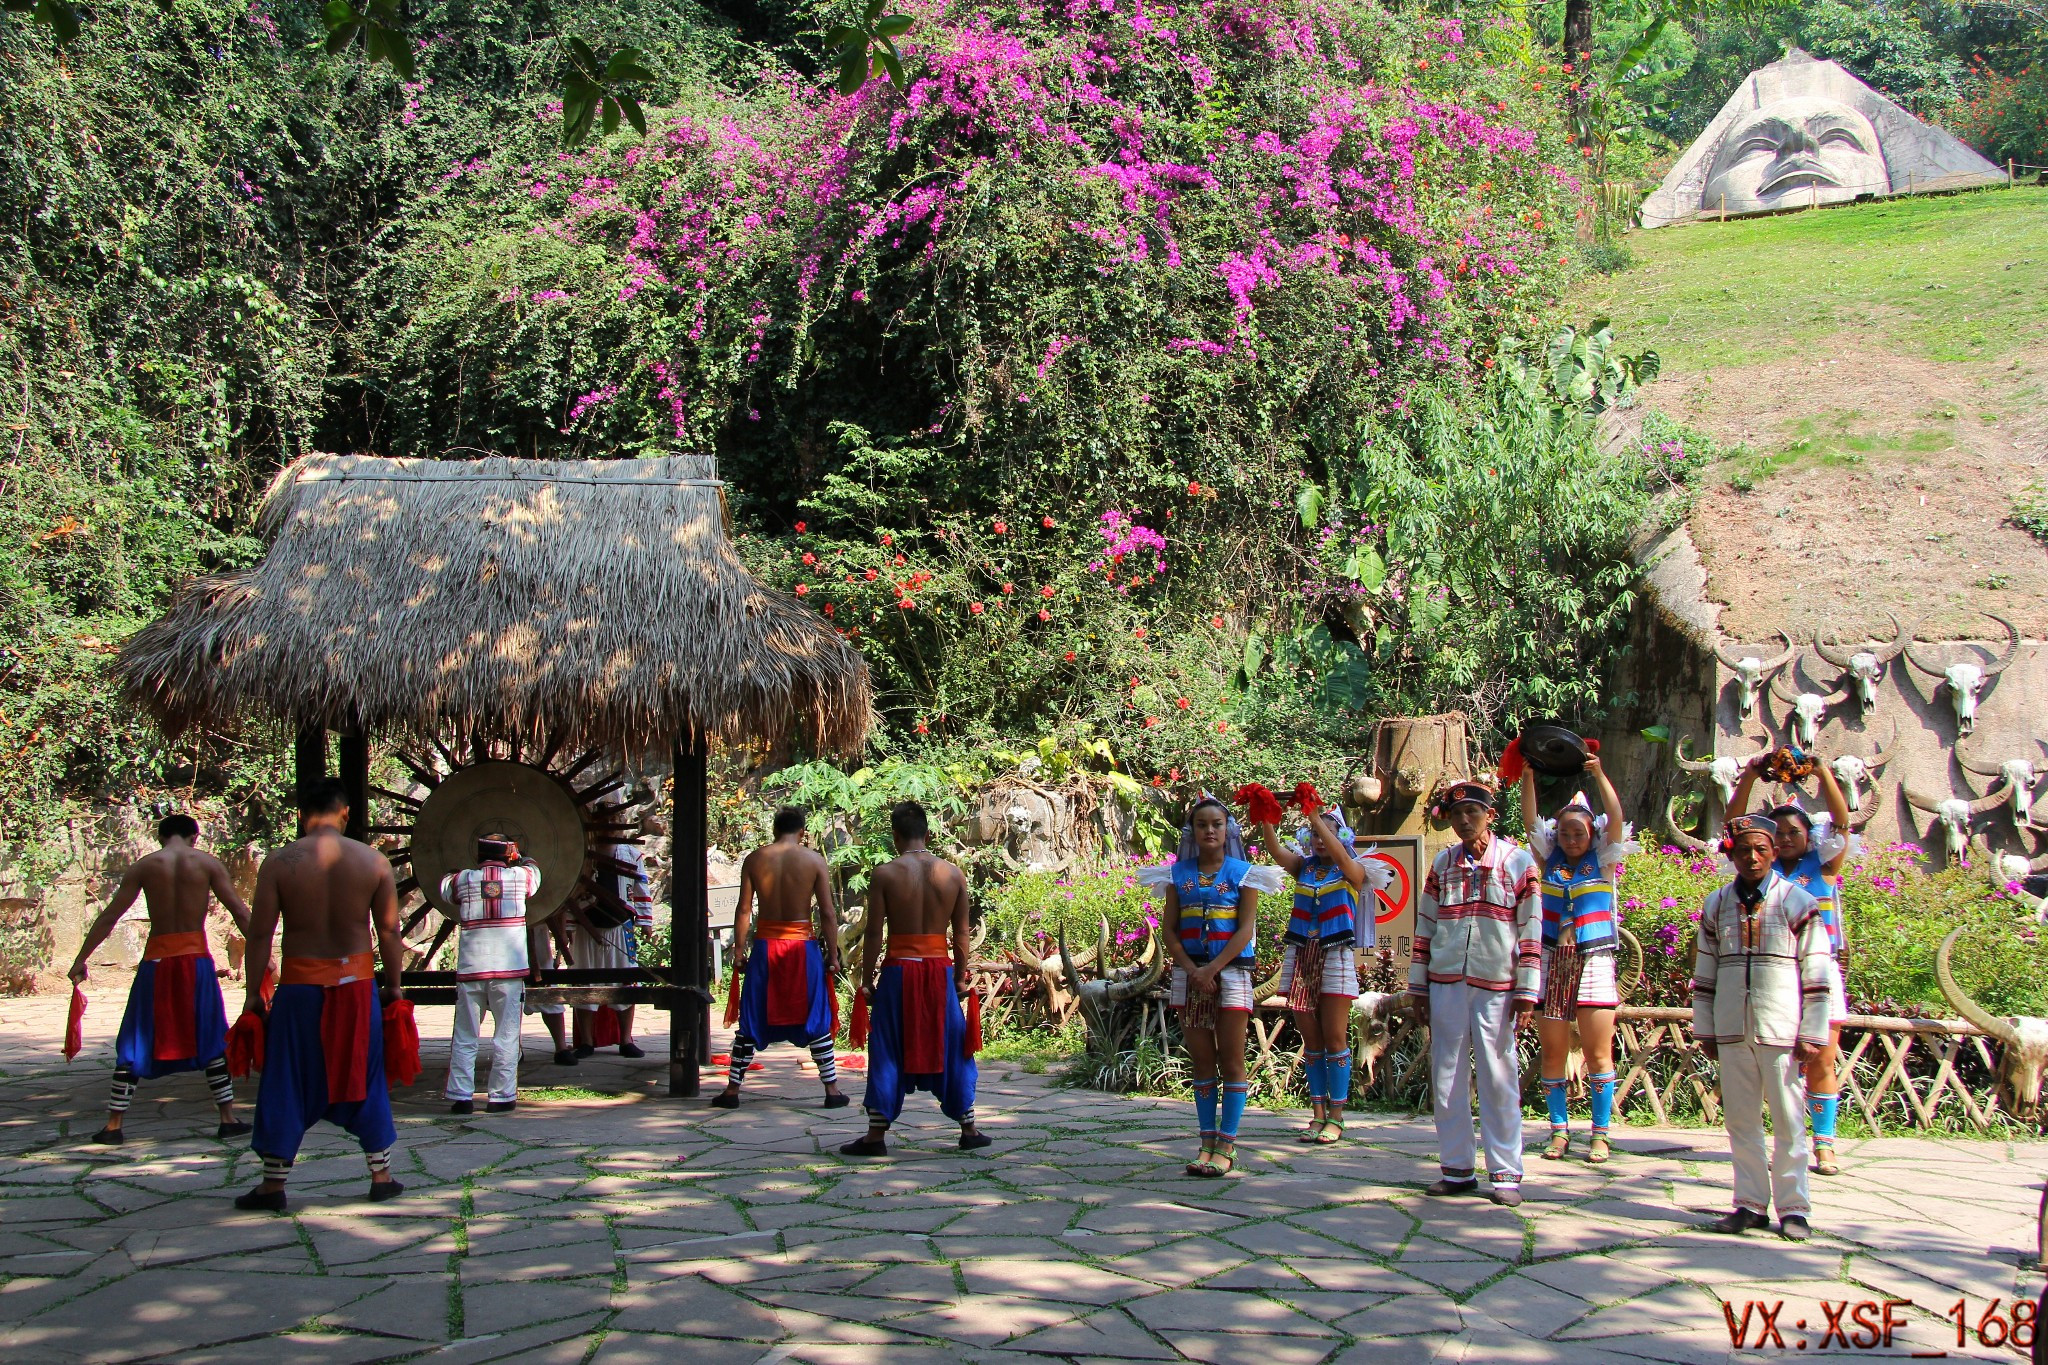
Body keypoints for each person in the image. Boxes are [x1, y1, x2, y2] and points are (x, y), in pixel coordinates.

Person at [234, 778, 406, 1211]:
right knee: (365, 1074)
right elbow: (388, 930)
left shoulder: (280, 862)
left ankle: (273, 1186)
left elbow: (259, 935)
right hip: (357, 988)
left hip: (299, 989)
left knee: (287, 1076)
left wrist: (254, 994)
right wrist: (395, 988)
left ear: (301, 814)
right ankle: (381, 1176)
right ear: (345, 813)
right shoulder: (373, 861)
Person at [68, 813, 253, 1144]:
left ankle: (114, 1125)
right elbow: (240, 912)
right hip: (196, 961)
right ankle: (227, 1118)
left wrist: (81, 959)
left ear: (160, 837)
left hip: (156, 961)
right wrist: (264, 956)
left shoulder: (146, 865)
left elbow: (111, 916)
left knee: (137, 1036)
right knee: (209, 1032)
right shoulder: (207, 863)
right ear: (194, 837)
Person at [1691, 812, 1832, 1241]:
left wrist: (1812, 1030)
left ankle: (1794, 1209)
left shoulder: (1797, 902)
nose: (1752, 858)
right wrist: (1706, 1028)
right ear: (1731, 854)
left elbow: (1818, 969)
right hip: (1733, 1026)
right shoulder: (1716, 904)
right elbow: (1706, 970)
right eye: (1744, 850)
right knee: (1740, 1119)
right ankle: (1749, 1204)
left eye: (1761, 850)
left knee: (1789, 1119)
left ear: (1773, 852)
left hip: (1782, 1026)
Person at [1409, 779, 1541, 1207]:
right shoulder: (1443, 864)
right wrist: (1419, 986)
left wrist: (1527, 989)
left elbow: (1532, 928)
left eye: (1473, 813)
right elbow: (1425, 925)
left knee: (1499, 1075)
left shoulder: (1518, 862)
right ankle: (1457, 1168)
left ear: (1489, 816)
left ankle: (1505, 1173)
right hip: (1447, 981)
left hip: (1497, 985)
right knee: (1446, 1075)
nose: (1465, 821)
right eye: (1457, 814)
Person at [1726, 753, 1854, 1176]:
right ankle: (1783, 1139)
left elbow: (1841, 820)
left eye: (1793, 832)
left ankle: (1825, 1143)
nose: (1783, 838)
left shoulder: (1825, 864)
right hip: (1772, 976)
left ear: (1809, 835)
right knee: (1774, 1064)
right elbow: (1735, 825)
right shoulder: (1761, 870)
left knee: (1822, 1057)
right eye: (1776, 833)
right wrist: (1748, 775)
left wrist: (1821, 771)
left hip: (1819, 971)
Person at [841, 801, 989, 1156]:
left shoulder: (885, 874)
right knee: (952, 1043)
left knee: (888, 1046)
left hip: (898, 971)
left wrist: (867, 980)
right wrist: (959, 977)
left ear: (895, 836)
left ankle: (876, 1136)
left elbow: (874, 933)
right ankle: (968, 1128)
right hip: (939, 970)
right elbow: (962, 934)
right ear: (928, 833)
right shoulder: (953, 874)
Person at [1148, 795, 1284, 1178]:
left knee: (1232, 1059)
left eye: (1217, 824)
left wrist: (1214, 970)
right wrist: (1193, 969)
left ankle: (1227, 1144)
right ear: (1192, 830)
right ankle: (1205, 1142)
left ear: (1228, 831)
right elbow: (1170, 930)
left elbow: (1245, 929)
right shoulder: (1176, 875)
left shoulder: (1245, 873)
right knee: (1202, 1060)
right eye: (1202, 824)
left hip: (1232, 973)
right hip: (1189, 974)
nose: (1209, 830)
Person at [1520, 756, 1636, 1165]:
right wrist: (1529, 777)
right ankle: (1558, 1132)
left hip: (1594, 960)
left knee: (1598, 1053)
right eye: (1565, 832)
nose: (1572, 838)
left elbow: (1617, 816)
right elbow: (1529, 819)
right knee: (1552, 1052)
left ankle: (1600, 1135)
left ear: (1593, 834)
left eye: (1579, 832)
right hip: (1553, 960)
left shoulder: (1604, 862)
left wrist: (1599, 773)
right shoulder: (1547, 860)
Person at [1253, 799, 1388, 1145]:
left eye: (1325, 831)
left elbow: (1345, 860)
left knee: (1335, 1039)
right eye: (1313, 832)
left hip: (1334, 955)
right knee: (1311, 1041)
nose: (1318, 838)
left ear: (1341, 836)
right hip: (1301, 955)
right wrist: (1265, 814)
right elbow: (1274, 850)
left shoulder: (1352, 869)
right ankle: (1316, 1113)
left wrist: (1315, 814)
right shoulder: (1305, 868)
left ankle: (1337, 1116)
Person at [713, 806, 848, 1110]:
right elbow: (827, 912)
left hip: (766, 948)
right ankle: (832, 1090)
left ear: (774, 830)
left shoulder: (755, 859)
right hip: (803, 948)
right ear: (802, 832)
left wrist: (738, 951)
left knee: (752, 1016)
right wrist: (832, 953)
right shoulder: (814, 860)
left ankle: (733, 1090)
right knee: (815, 1016)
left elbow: (744, 910)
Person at [440, 836, 540, 1115]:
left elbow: (445, 887)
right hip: (509, 972)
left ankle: (461, 1096)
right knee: (506, 1035)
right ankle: (501, 1096)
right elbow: (536, 873)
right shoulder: (521, 877)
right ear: (508, 856)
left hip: (472, 970)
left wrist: (454, 871)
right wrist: (523, 857)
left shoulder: (462, 880)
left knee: (465, 1034)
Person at [569, 827, 650, 1059]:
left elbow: (640, 885)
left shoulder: (631, 854)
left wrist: (645, 920)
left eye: (616, 820)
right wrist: (568, 927)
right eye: (607, 820)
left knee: (626, 982)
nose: (612, 824)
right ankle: (586, 1042)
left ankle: (625, 1040)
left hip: (621, 926)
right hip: (586, 926)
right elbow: (569, 890)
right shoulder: (582, 852)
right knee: (584, 984)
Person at [526, 907, 576, 1066]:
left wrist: (561, 931)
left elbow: (558, 897)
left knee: (548, 989)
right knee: (507, 993)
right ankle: (514, 1048)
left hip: (538, 930)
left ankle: (561, 1047)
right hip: (505, 929)